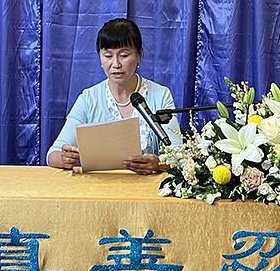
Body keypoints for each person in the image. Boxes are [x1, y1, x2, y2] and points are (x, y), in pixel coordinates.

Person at [47, 18, 181, 174]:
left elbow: (178, 154)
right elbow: (52, 154)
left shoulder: (160, 95)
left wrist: (158, 164)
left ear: (139, 55)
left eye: (124, 55)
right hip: (99, 187)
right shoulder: (89, 98)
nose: (116, 64)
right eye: (108, 55)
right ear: (100, 57)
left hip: (147, 186)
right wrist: (64, 158)